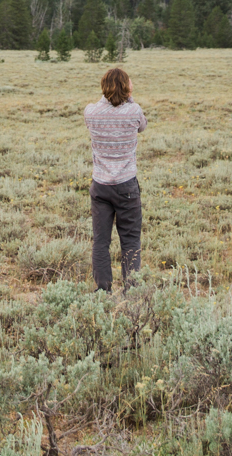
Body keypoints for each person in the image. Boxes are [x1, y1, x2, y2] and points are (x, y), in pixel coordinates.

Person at [84, 65, 145, 293]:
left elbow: (100, 106)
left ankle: (103, 292)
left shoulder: (91, 112)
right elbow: (143, 126)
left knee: (101, 241)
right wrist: (129, 99)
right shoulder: (134, 110)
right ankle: (132, 292)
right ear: (126, 88)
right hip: (126, 185)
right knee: (130, 240)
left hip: (100, 185)